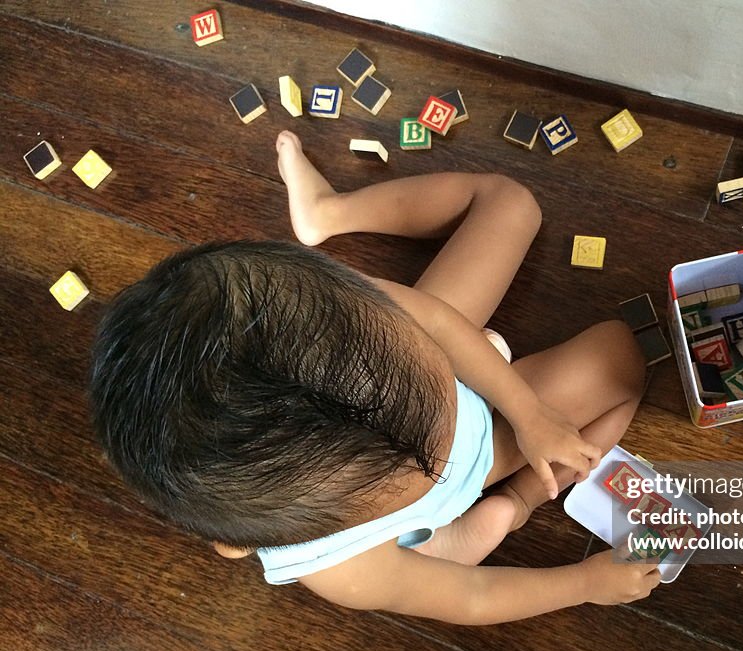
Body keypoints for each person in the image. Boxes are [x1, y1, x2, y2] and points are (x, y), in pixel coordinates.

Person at [89, 130, 660, 624]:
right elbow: (475, 597)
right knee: (622, 362)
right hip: (478, 454)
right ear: (245, 544)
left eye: (429, 387)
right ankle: (513, 505)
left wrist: (528, 411)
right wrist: (587, 583)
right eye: (422, 467)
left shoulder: (315, 307)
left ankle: (329, 212)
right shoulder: (342, 569)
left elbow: (434, 319)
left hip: (421, 349)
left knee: (510, 204)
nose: (444, 422)